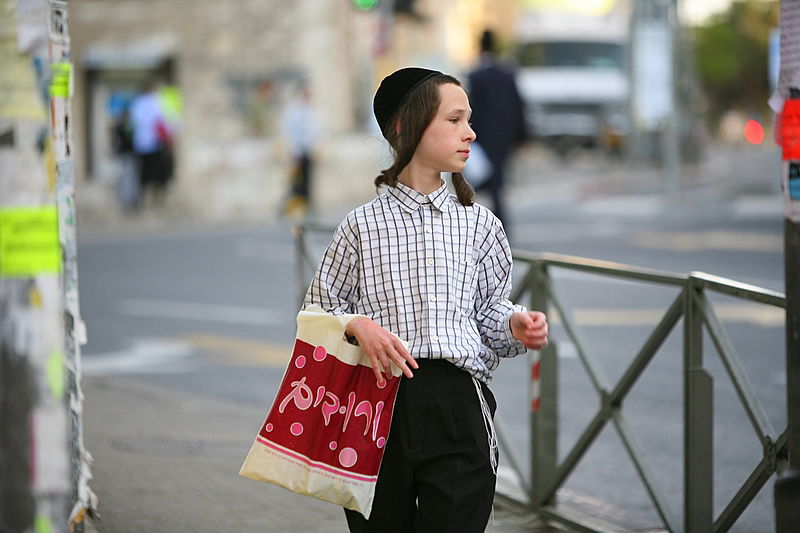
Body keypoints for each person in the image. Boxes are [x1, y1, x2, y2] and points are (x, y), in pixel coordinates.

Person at [303, 67, 548, 533]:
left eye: (468, 120)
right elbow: (316, 313)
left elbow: (490, 313)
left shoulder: (481, 224)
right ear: (405, 127)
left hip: (458, 406)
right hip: (374, 407)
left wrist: (516, 323)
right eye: (454, 120)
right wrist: (357, 324)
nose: (470, 133)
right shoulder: (360, 226)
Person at [467, 29, 527, 230]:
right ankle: (500, 227)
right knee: (498, 183)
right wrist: (521, 136)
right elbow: (518, 105)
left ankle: (474, 226)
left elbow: (472, 109)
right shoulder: (507, 73)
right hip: (503, 136)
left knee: (476, 182)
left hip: (481, 137)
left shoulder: (475, 75)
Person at [129, 81, 173, 207]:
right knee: (156, 171)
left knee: (144, 171)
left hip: (141, 144)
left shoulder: (137, 104)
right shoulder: (156, 102)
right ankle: (156, 195)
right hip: (154, 143)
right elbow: (162, 120)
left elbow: (134, 122)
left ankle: (146, 195)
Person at [280, 83, 320, 217]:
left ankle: (307, 206)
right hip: (299, 153)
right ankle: (288, 206)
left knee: (306, 182)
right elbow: (294, 134)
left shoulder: (309, 110)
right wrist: (295, 153)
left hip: (308, 151)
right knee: (297, 183)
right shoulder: (295, 111)